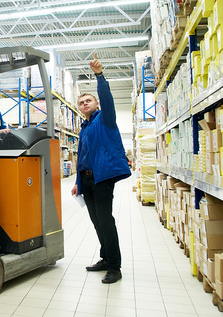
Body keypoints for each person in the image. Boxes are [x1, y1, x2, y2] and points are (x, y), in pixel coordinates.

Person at [71, 53, 131, 284]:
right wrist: (77, 181)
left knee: (106, 220)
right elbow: (82, 158)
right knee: (96, 221)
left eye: (88, 101)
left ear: (96, 104)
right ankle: (105, 258)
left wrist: (99, 76)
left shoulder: (105, 119)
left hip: (102, 178)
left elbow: (107, 98)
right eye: (81, 102)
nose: (85, 104)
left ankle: (115, 267)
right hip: (86, 180)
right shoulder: (84, 128)